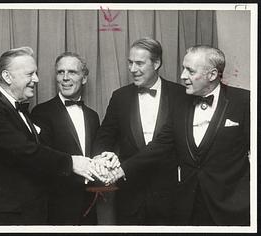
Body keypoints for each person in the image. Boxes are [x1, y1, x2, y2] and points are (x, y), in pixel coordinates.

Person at [113, 45, 250, 226]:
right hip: (187, 207)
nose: (182, 76)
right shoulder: (180, 102)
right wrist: (121, 170)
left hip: (231, 208)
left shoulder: (245, 101)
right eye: (183, 68)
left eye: (190, 71)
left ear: (212, 75)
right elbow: (160, 145)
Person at [0, 47, 104, 225]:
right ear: (7, 77)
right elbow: (26, 151)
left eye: (35, 73)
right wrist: (72, 162)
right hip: (5, 215)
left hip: (28, 211)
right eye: (30, 74)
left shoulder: (18, 108)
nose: (36, 79)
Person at [93, 38, 179, 225]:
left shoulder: (180, 95)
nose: (132, 69)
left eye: (139, 63)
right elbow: (105, 135)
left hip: (169, 195)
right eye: (130, 62)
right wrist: (101, 158)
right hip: (129, 194)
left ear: (157, 63)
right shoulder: (120, 96)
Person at [31, 52, 100, 225]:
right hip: (57, 207)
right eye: (61, 72)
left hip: (89, 205)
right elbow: (42, 159)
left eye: (72, 72)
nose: (65, 78)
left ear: (84, 78)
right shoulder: (41, 112)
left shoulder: (93, 116)